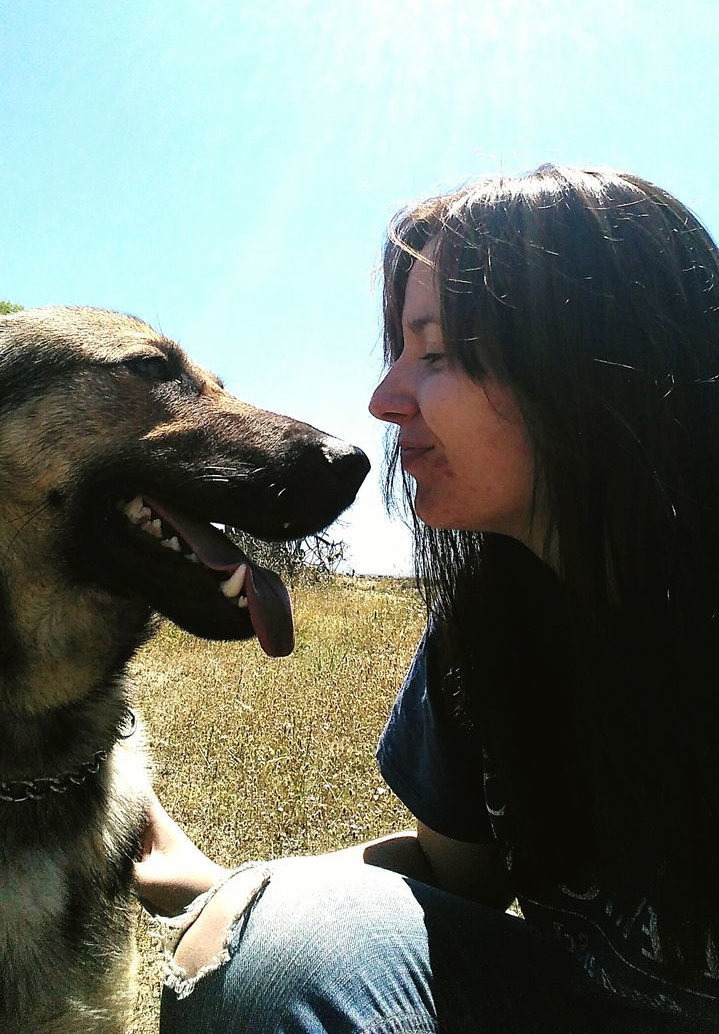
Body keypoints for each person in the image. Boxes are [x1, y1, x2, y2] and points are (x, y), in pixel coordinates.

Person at [135, 164, 719, 1032]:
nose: (382, 399)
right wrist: (232, 891)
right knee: (273, 948)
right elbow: (455, 879)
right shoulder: (486, 633)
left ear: (597, 363)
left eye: (436, 352)